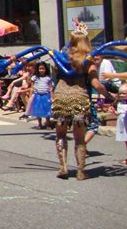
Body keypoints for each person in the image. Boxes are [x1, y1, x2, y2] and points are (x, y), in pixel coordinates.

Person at [52, 31, 114, 180]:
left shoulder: (62, 57)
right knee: (79, 138)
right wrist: (108, 96)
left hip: (61, 100)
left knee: (60, 134)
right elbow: (96, 84)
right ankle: (80, 171)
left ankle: (63, 166)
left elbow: (55, 74)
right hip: (80, 100)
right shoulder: (88, 60)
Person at [27, 62, 53, 129]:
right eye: (40, 69)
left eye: (43, 69)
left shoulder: (48, 78)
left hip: (46, 95)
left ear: (46, 69)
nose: (41, 70)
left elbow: (50, 88)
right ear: (37, 69)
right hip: (37, 96)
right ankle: (39, 124)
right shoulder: (35, 78)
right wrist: (30, 96)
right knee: (38, 110)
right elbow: (32, 88)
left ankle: (48, 123)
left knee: (47, 110)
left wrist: (52, 97)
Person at [114, 85, 127, 167]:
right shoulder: (119, 103)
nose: (122, 95)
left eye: (124, 93)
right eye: (120, 93)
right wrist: (114, 112)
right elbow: (119, 114)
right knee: (125, 141)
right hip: (122, 125)